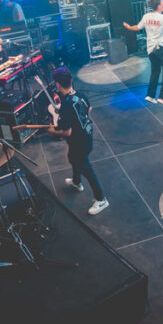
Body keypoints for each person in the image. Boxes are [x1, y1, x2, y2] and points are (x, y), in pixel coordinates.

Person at [49, 67, 108, 215]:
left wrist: (51, 130)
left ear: (57, 85)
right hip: (86, 135)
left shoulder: (66, 105)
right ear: (71, 80)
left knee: (85, 167)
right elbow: (89, 109)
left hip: (78, 141)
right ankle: (76, 182)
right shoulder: (80, 95)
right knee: (73, 158)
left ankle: (101, 199)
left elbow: (66, 132)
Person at [124, 0, 163, 106]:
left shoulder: (146, 16)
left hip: (151, 50)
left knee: (155, 72)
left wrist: (128, 27)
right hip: (162, 48)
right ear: (159, 5)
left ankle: (150, 95)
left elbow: (137, 27)